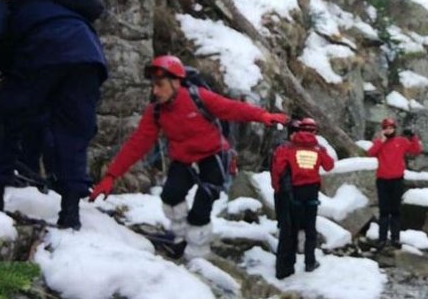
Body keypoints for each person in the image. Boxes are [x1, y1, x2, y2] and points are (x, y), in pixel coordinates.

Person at [89, 55, 288, 259]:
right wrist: (111, 176)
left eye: (160, 85)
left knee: (202, 206)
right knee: (170, 197)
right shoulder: (156, 112)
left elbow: (232, 108)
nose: (155, 91)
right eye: (153, 86)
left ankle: (197, 252)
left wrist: (263, 116)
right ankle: (180, 237)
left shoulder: (198, 98)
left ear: (176, 82)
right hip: (184, 160)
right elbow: (137, 144)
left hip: (213, 157)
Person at [0, 0, 107, 231]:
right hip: (89, 58)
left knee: (4, 118)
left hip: (45, 49)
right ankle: (70, 212)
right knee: (73, 131)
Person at [271, 118, 334, 279]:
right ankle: (309, 262)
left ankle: (287, 265)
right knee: (310, 228)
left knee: (290, 229)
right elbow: (329, 166)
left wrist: (278, 190)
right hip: (311, 192)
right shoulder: (318, 149)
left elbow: (278, 169)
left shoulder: (288, 148)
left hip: (293, 192)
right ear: (315, 131)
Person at [367, 117, 422, 248]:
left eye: (391, 128)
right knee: (384, 211)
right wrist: (381, 141)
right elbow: (370, 153)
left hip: (397, 180)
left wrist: (413, 137)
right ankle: (382, 239)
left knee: (396, 211)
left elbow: (416, 150)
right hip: (382, 180)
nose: (388, 130)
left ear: (395, 129)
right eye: (386, 128)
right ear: (383, 130)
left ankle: (395, 238)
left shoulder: (401, 141)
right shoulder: (379, 142)